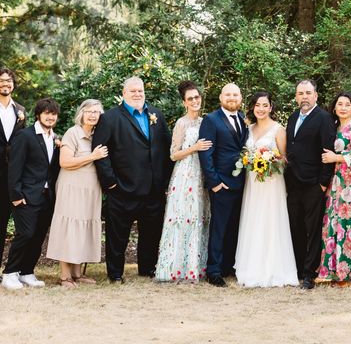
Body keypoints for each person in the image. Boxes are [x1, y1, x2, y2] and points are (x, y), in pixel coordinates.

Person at [93, 76, 173, 283]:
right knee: (117, 235)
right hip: (122, 188)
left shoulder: (156, 114)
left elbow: (166, 148)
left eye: (141, 91)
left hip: (153, 189)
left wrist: (164, 181)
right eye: (133, 91)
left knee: (151, 233)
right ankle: (115, 273)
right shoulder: (110, 118)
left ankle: (147, 268)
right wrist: (110, 183)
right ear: (124, 93)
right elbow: (101, 153)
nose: (138, 94)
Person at [235, 91, 298, 287]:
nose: (261, 109)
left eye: (265, 105)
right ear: (253, 107)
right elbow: (245, 153)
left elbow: (285, 159)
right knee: (253, 219)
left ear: (271, 107)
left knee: (270, 220)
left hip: (272, 182)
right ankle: (251, 267)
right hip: (253, 183)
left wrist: (270, 159)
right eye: (257, 105)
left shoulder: (278, 129)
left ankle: (273, 268)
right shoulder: (248, 128)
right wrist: (251, 160)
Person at [46, 99, 108, 288]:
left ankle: (77, 273)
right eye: (89, 111)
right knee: (70, 227)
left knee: (83, 227)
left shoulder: (98, 135)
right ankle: (65, 276)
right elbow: (65, 162)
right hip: (71, 186)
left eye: (97, 112)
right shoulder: (72, 133)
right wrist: (92, 156)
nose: (92, 115)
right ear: (81, 113)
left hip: (91, 188)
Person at [155, 81, 212, 283]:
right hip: (185, 174)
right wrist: (194, 147)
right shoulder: (182, 123)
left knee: (199, 218)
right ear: (184, 103)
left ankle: (195, 267)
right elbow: (173, 154)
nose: (195, 101)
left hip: (201, 175)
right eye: (190, 99)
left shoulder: (206, 121)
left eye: (197, 97)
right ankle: (175, 268)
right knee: (183, 217)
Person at [2, 98, 61, 290]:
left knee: (37, 236)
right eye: (46, 113)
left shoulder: (54, 138)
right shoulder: (25, 136)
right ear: (38, 115)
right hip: (25, 195)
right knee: (25, 234)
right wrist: (16, 195)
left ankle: (27, 272)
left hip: (46, 196)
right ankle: (10, 273)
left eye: (53, 114)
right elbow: (14, 167)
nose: (50, 117)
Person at [285, 79, 336, 290]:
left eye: (308, 92)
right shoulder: (292, 117)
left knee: (313, 229)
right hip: (293, 182)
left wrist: (323, 183)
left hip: (314, 183)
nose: (304, 96)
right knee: (295, 226)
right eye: (300, 93)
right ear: (296, 97)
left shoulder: (324, 118)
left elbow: (328, 150)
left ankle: (310, 272)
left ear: (316, 95)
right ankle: (297, 267)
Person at [318, 92, 351, 286]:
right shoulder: (333, 126)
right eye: (339, 104)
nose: (343, 107)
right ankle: (337, 272)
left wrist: (336, 158)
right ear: (334, 108)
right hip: (338, 180)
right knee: (335, 224)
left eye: (347, 104)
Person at [198, 83, 248, 287]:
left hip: (243, 183)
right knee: (219, 227)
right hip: (222, 184)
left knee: (235, 227)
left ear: (240, 97)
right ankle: (214, 270)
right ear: (220, 97)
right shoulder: (211, 120)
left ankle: (228, 266)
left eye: (235, 94)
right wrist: (215, 182)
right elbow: (206, 154)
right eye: (228, 94)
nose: (232, 98)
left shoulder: (244, 119)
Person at [0, 68, 26, 283]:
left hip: (8, 180)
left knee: (0, 227)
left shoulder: (20, 110)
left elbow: (23, 142)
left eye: (8, 81)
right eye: (0, 81)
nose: (5, 84)